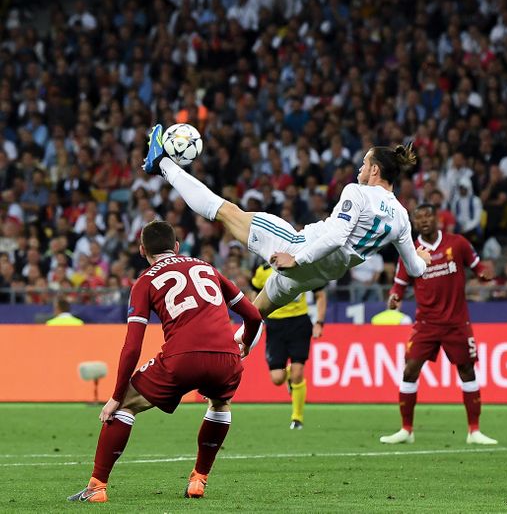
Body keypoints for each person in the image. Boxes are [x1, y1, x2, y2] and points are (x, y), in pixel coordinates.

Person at [141, 125, 431, 318]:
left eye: (365, 163)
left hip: (297, 249)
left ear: (376, 170)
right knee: (253, 318)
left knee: (227, 212)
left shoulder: (358, 192)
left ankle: (162, 162)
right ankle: (226, 364)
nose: (360, 167)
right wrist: (422, 258)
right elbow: (415, 269)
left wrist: (297, 258)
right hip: (315, 278)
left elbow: (336, 238)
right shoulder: (402, 217)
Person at [68, 220, 263, 503]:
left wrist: (116, 395)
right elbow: (254, 317)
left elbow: (132, 346)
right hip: (226, 358)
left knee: (125, 407)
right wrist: (245, 341)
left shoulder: (144, 281)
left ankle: (97, 487)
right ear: (176, 247)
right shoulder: (208, 268)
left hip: (181, 358)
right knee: (220, 403)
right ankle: (199, 480)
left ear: (142, 250)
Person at [380, 203, 497, 445]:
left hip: (456, 322)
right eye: (419, 217)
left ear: (437, 219)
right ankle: (406, 430)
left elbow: (478, 266)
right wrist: (394, 297)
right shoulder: (410, 250)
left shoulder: (458, 243)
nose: (424, 221)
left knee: (467, 370)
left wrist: (485, 273)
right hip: (426, 323)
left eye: (427, 216)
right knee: (409, 369)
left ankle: (474, 430)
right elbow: (399, 285)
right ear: (414, 222)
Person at [251, 263, 327, 430]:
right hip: (274, 325)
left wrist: (319, 322)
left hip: (299, 322)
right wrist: (254, 321)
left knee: (298, 373)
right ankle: (290, 376)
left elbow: (320, 294)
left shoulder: (303, 266)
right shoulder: (262, 271)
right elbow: (255, 295)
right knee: (277, 378)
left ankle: (297, 418)